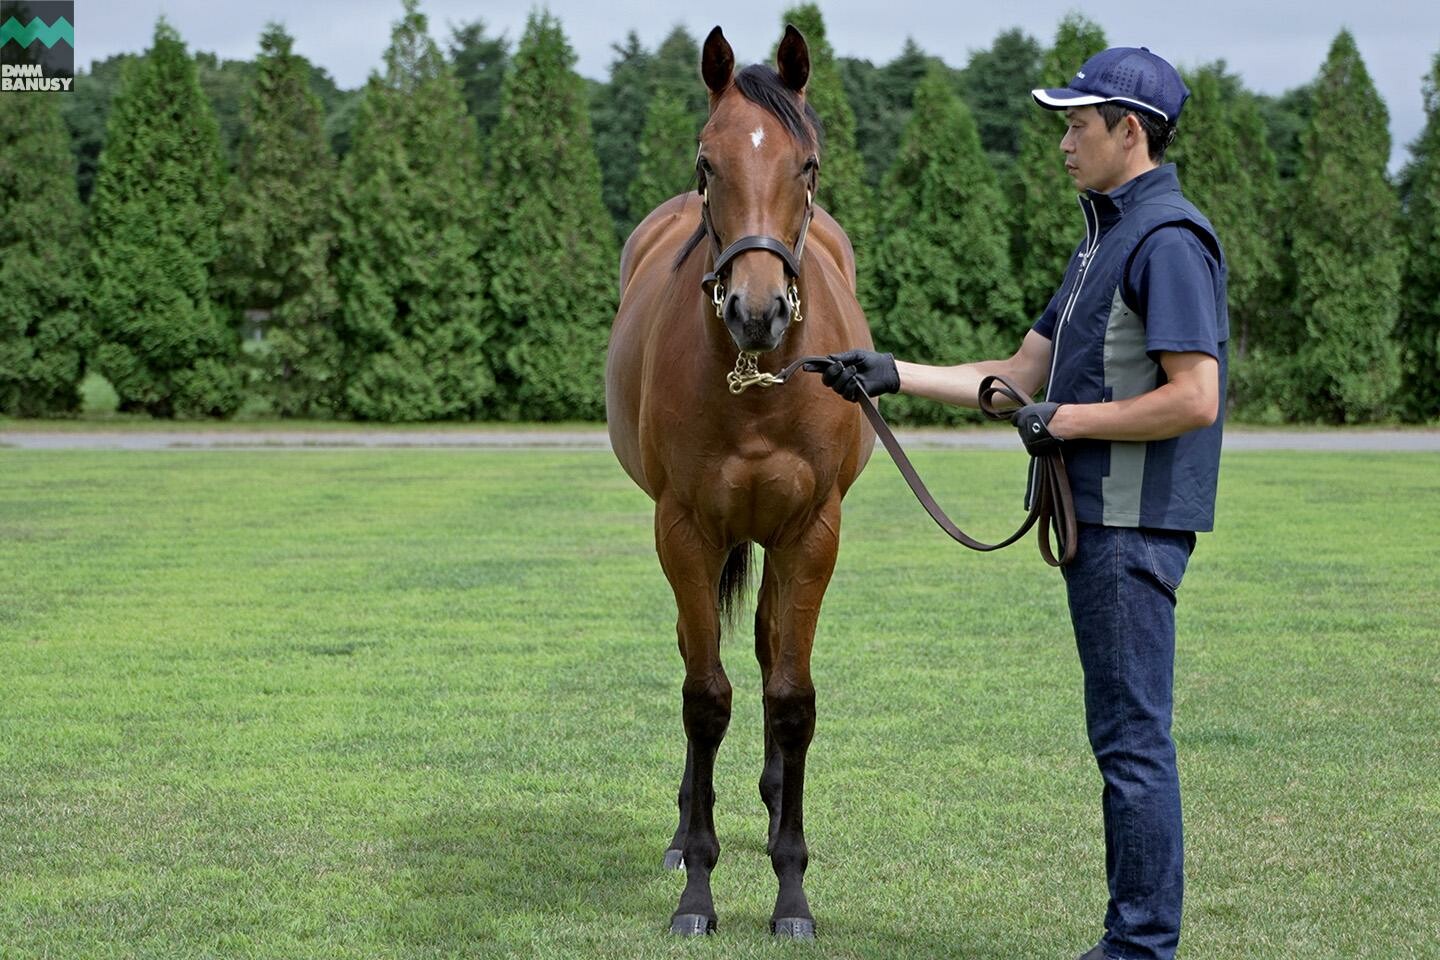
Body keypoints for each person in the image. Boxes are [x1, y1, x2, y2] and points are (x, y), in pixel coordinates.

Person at [809, 47, 1226, 960]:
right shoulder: (1102, 239)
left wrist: (1067, 422)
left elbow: (1195, 394)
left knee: (1132, 745)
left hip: (1130, 527)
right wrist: (892, 374)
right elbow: (1021, 372)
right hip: (1098, 523)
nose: (1064, 143)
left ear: (1130, 131)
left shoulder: (1166, 240)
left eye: (1078, 125)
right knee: (1123, 738)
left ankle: (1140, 948)